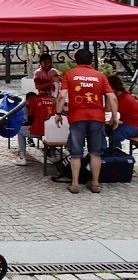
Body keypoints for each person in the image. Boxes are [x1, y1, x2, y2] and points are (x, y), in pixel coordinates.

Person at [56, 48, 119, 194]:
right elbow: (113, 97)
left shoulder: (70, 74)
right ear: (91, 61)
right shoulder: (100, 76)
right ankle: (95, 183)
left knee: (76, 152)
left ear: (76, 60)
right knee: (96, 152)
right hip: (97, 118)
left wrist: (58, 113)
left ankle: (75, 184)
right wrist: (115, 117)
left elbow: (61, 96)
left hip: (77, 118)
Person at [14, 90, 56, 166]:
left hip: (40, 131)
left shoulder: (33, 100)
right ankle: (52, 154)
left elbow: (30, 119)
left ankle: (22, 157)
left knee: (20, 131)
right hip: (53, 132)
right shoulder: (53, 100)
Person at [108, 75, 138, 150]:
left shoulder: (124, 99)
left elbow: (110, 115)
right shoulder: (122, 96)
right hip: (128, 122)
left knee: (115, 135)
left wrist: (109, 98)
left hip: (134, 125)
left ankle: (116, 155)